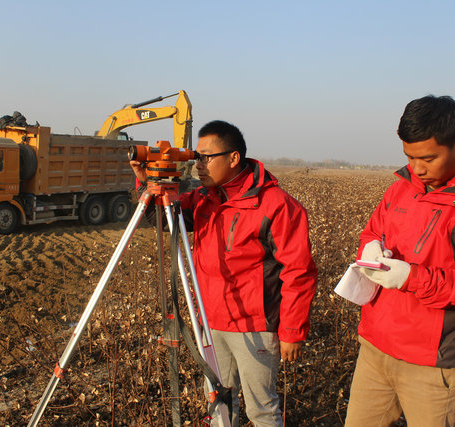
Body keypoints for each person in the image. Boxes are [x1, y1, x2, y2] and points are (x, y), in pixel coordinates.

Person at [345, 95, 455, 426]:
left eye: (427, 158)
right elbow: (372, 231)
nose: (417, 168)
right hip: (375, 346)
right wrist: (370, 246)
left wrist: (412, 278)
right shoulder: (401, 190)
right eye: (409, 157)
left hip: (433, 362)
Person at [130, 120, 317, 426]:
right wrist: (145, 184)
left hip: (255, 327)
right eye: (197, 157)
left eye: (206, 157)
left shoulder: (276, 205)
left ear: (233, 158)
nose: (198, 165)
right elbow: (164, 219)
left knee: (262, 409)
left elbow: (299, 271)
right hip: (210, 321)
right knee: (218, 401)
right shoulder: (204, 198)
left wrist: (293, 331)